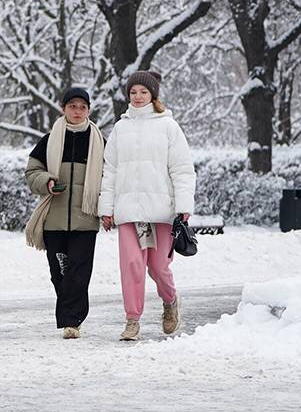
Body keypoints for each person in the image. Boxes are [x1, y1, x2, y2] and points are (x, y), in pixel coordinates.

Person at [98, 70, 195, 342]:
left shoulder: (168, 126)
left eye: (143, 92)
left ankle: (170, 300)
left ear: (153, 94)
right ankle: (132, 320)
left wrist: (183, 206)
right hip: (129, 210)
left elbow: (183, 169)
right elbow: (110, 171)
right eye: (133, 92)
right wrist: (106, 208)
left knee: (158, 268)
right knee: (131, 264)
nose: (138, 97)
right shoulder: (121, 128)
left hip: (161, 211)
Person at [24, 86, 106, 339]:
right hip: (54, 220)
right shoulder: (49, 140)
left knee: (79, 272)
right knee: (59, 273)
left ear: (89, 110)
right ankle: (70, 315)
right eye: (72, 106)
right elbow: (31, 172)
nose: (77, 111)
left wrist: (107, 209)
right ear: (63, 109)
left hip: (86, 219)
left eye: (82, 107)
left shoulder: (99, 141)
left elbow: (110, 176)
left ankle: (72, 322)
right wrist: (47, 181)